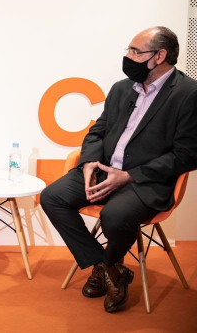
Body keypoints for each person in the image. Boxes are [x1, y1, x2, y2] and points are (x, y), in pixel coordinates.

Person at [40, 26, 197, 313]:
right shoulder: (121, 88)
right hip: (103, 169)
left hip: (145, 181)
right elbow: (97, 132)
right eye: (128, 49)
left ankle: (110, 265)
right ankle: (108, 268)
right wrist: (88, 161)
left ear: (160, 56)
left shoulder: (188, 94)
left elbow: (188, 155)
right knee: (52, 197)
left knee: (114, 215)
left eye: (135, 51)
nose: (128, 56)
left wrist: (129, 176)